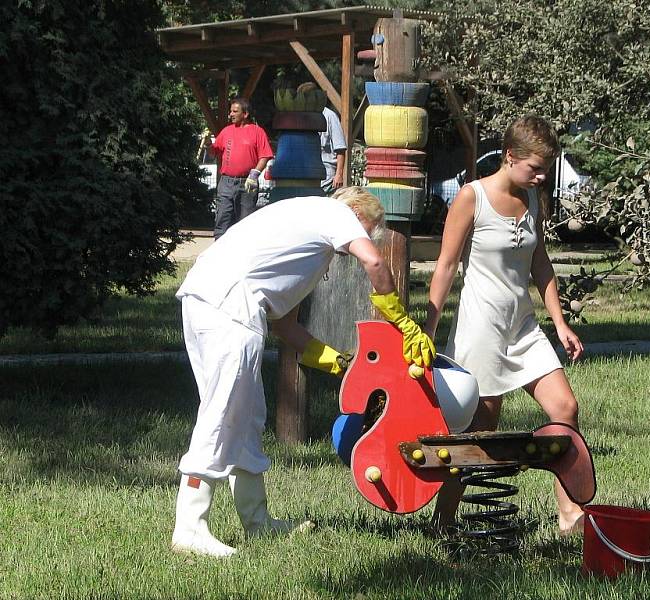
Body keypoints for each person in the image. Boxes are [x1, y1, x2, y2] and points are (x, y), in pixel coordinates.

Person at [171, 187, 435, 558]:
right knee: (223, 414)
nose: (362, 238)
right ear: (358, 212)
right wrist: (403, 321)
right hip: (230, 307)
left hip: (213, 301)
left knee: (246, 416)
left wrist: (338, 362)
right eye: (369, 228)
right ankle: (190, 528)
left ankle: (257, 522)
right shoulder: (335, 213)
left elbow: (286, 327)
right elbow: (374, 263)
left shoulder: (305, 230)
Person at [424, 114, 586, 536]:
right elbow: (444, 267)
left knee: (564, 409)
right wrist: (428, 327)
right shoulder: (470, 197)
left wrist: (561, 324)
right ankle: (444, 522)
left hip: (523, 326)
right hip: (481, 328)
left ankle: (569, 515)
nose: (540, 177)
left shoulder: (533, 198)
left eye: (545, 170)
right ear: (510, 157)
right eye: (534, 168)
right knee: (480, 430)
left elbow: (539, 262)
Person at [205, 97, 273, 238]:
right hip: (226, 183)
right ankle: (219, 254)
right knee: (222, 220)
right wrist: (208, 145)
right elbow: (214, 152)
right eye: (231, 111)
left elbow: (265, 156)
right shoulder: (226, 131)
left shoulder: (257, 132)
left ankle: (243, 257)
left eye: (235, 111)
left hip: (247, 184)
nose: (231, 114)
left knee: (245, 224)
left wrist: (254, 175)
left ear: (245, 114)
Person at [297, 82, 347, 194]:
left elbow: (340, 149)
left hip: (327, 175)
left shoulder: (329, 116)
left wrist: (339, 174)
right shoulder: (302, 116)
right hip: (307, 174)